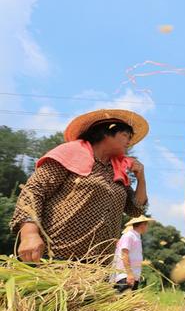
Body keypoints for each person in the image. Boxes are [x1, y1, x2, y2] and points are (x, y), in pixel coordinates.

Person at [11, 109, 148, 262]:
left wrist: (141, 178)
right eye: (125, 136)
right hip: (54, 257)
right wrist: (29, 234)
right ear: (106, 132)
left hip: (96, 265)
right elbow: (34, 191)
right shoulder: (70, 153)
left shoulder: (117, 170)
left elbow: (135, 209)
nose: (129, 142)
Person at [112, 215, 153, 292]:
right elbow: (124, 254)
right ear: (142, 225)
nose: (147, 227)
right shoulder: (129, 236)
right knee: (122, 301)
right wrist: (129, 274)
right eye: (146, 224)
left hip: (132, 277)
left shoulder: (136, 237)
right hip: (126, 276)